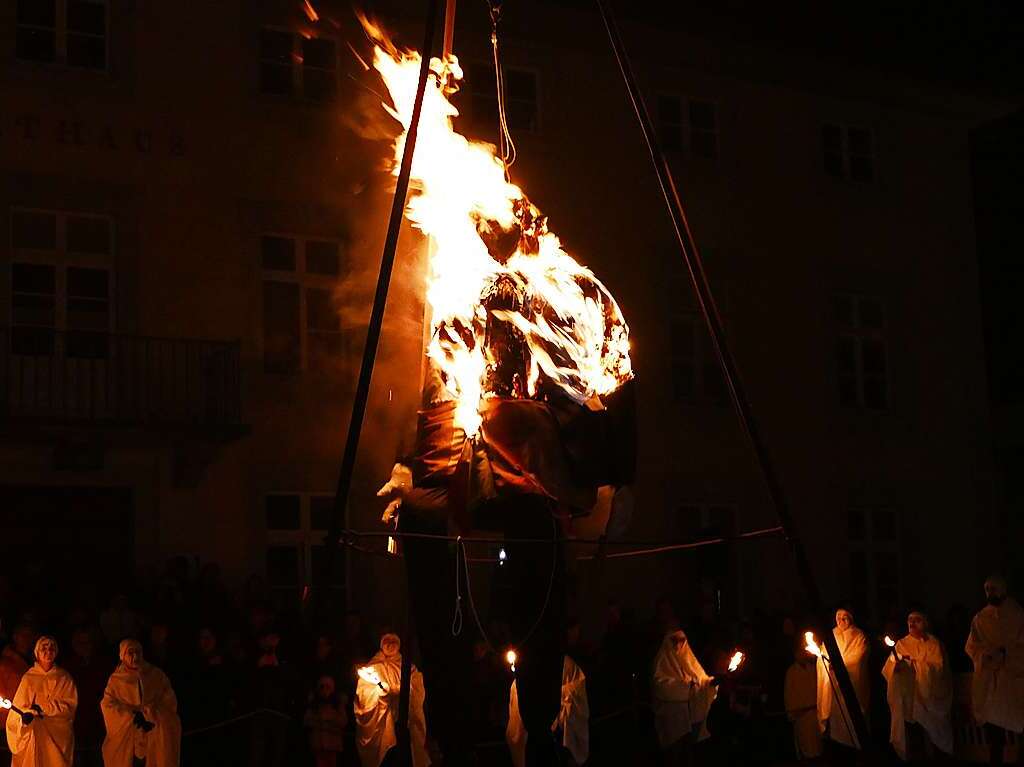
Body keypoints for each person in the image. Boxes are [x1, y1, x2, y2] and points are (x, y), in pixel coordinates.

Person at [965, 576, 1024, 764]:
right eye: (987, 589)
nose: (991, 592)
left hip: (1012, 679)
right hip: (990, 681)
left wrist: (1007, 655)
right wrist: (986, 655)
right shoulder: (980, 618)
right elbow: (972, 646)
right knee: (994, 728)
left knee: (1018, 719)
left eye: (994, 588)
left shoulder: (1017, 615)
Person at [881, 610, 953, 760]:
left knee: (934, 736)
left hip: (930, 698)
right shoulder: (901, 644)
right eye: (910, 620)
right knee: (914, 736)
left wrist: (913, 665)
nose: (912, 623)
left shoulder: (934, 644)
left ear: (925, 623)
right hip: (910, 699)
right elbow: (888, 669)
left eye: (917, 620)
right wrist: (897, 666)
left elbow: (938, 669)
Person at [101, 638, 181, 767]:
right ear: (122, 655)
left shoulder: (155, 675)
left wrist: (151, 714)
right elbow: (107, 705)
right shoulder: (116, 680)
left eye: (138, 651)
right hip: (128, 738)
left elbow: (169, 700)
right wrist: (131, 717)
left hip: (154, 733)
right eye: (131, 652)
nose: (135, 656)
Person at [353, 633, 429, 767]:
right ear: (381, 645)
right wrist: (380, 693)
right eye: (387, 641)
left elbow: (417, 688)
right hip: (382, 723)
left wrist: (398, 690)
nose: (390, 643)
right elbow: (364, 693)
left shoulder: (408, 668)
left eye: (394, 641)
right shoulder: (373, 667)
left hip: (404, 722)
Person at [5, 636, 78, 767]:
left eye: (51, 648)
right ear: (37, 652)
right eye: (44, 648)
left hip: (57, 739)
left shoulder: (64, 678)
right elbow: (18, 710)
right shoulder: (29, 678)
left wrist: (44, 708)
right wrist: (25, 719)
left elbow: (69, 707)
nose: (48, 651)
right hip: (33, 738)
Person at [507, 655, 589, 767]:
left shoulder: (565, 664)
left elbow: (576, 700)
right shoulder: (522, 677)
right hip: (536, 746)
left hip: (557, 744)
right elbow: (516, 730)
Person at [651, 629, 717, 766]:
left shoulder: (686, 658)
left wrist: (709, 683)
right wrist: (688, 686)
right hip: (673, 722)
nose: (679, 645)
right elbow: (661, 686)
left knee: (687, 756)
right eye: (676, 642)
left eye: (682, 641)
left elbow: (700, 678)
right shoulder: (663, 662)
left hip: (689, 722)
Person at [815, 608, 870, 750]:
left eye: (845, 616)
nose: (841, 619)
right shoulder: (832, 634)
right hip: (832, 684)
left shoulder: (858, 635)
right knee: (835, 721)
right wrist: (827, 663)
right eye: (838, 616)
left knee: (850, 721)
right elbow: (822, 656)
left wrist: (840, 666)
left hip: (849, 684)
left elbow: (858, 659)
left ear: (851, 618)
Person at [784, 644, 823, 760]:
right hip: (801, 714)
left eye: (803, 652)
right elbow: (788, 693)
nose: (801, 655)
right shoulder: (791, 672)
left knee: (817, 743)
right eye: (799, 653)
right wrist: (792, 712)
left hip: (815, 712)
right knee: (805, 744)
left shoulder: (813, 668)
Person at [304, 674, 348, 767]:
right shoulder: (314, 706)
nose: (324, 690)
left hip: (332, 743)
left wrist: (330, 720)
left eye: (327, 687)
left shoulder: (337, 705)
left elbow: (343, 722)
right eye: (322, 687)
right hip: (318, 743)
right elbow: (307, 721)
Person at [0, 625, 35, 732]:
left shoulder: (36, 664)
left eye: (29, 635)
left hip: (31, 722)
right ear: (15, 637)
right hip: (7, 723)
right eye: (23, 635)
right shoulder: (4, 664)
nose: (26, 638)